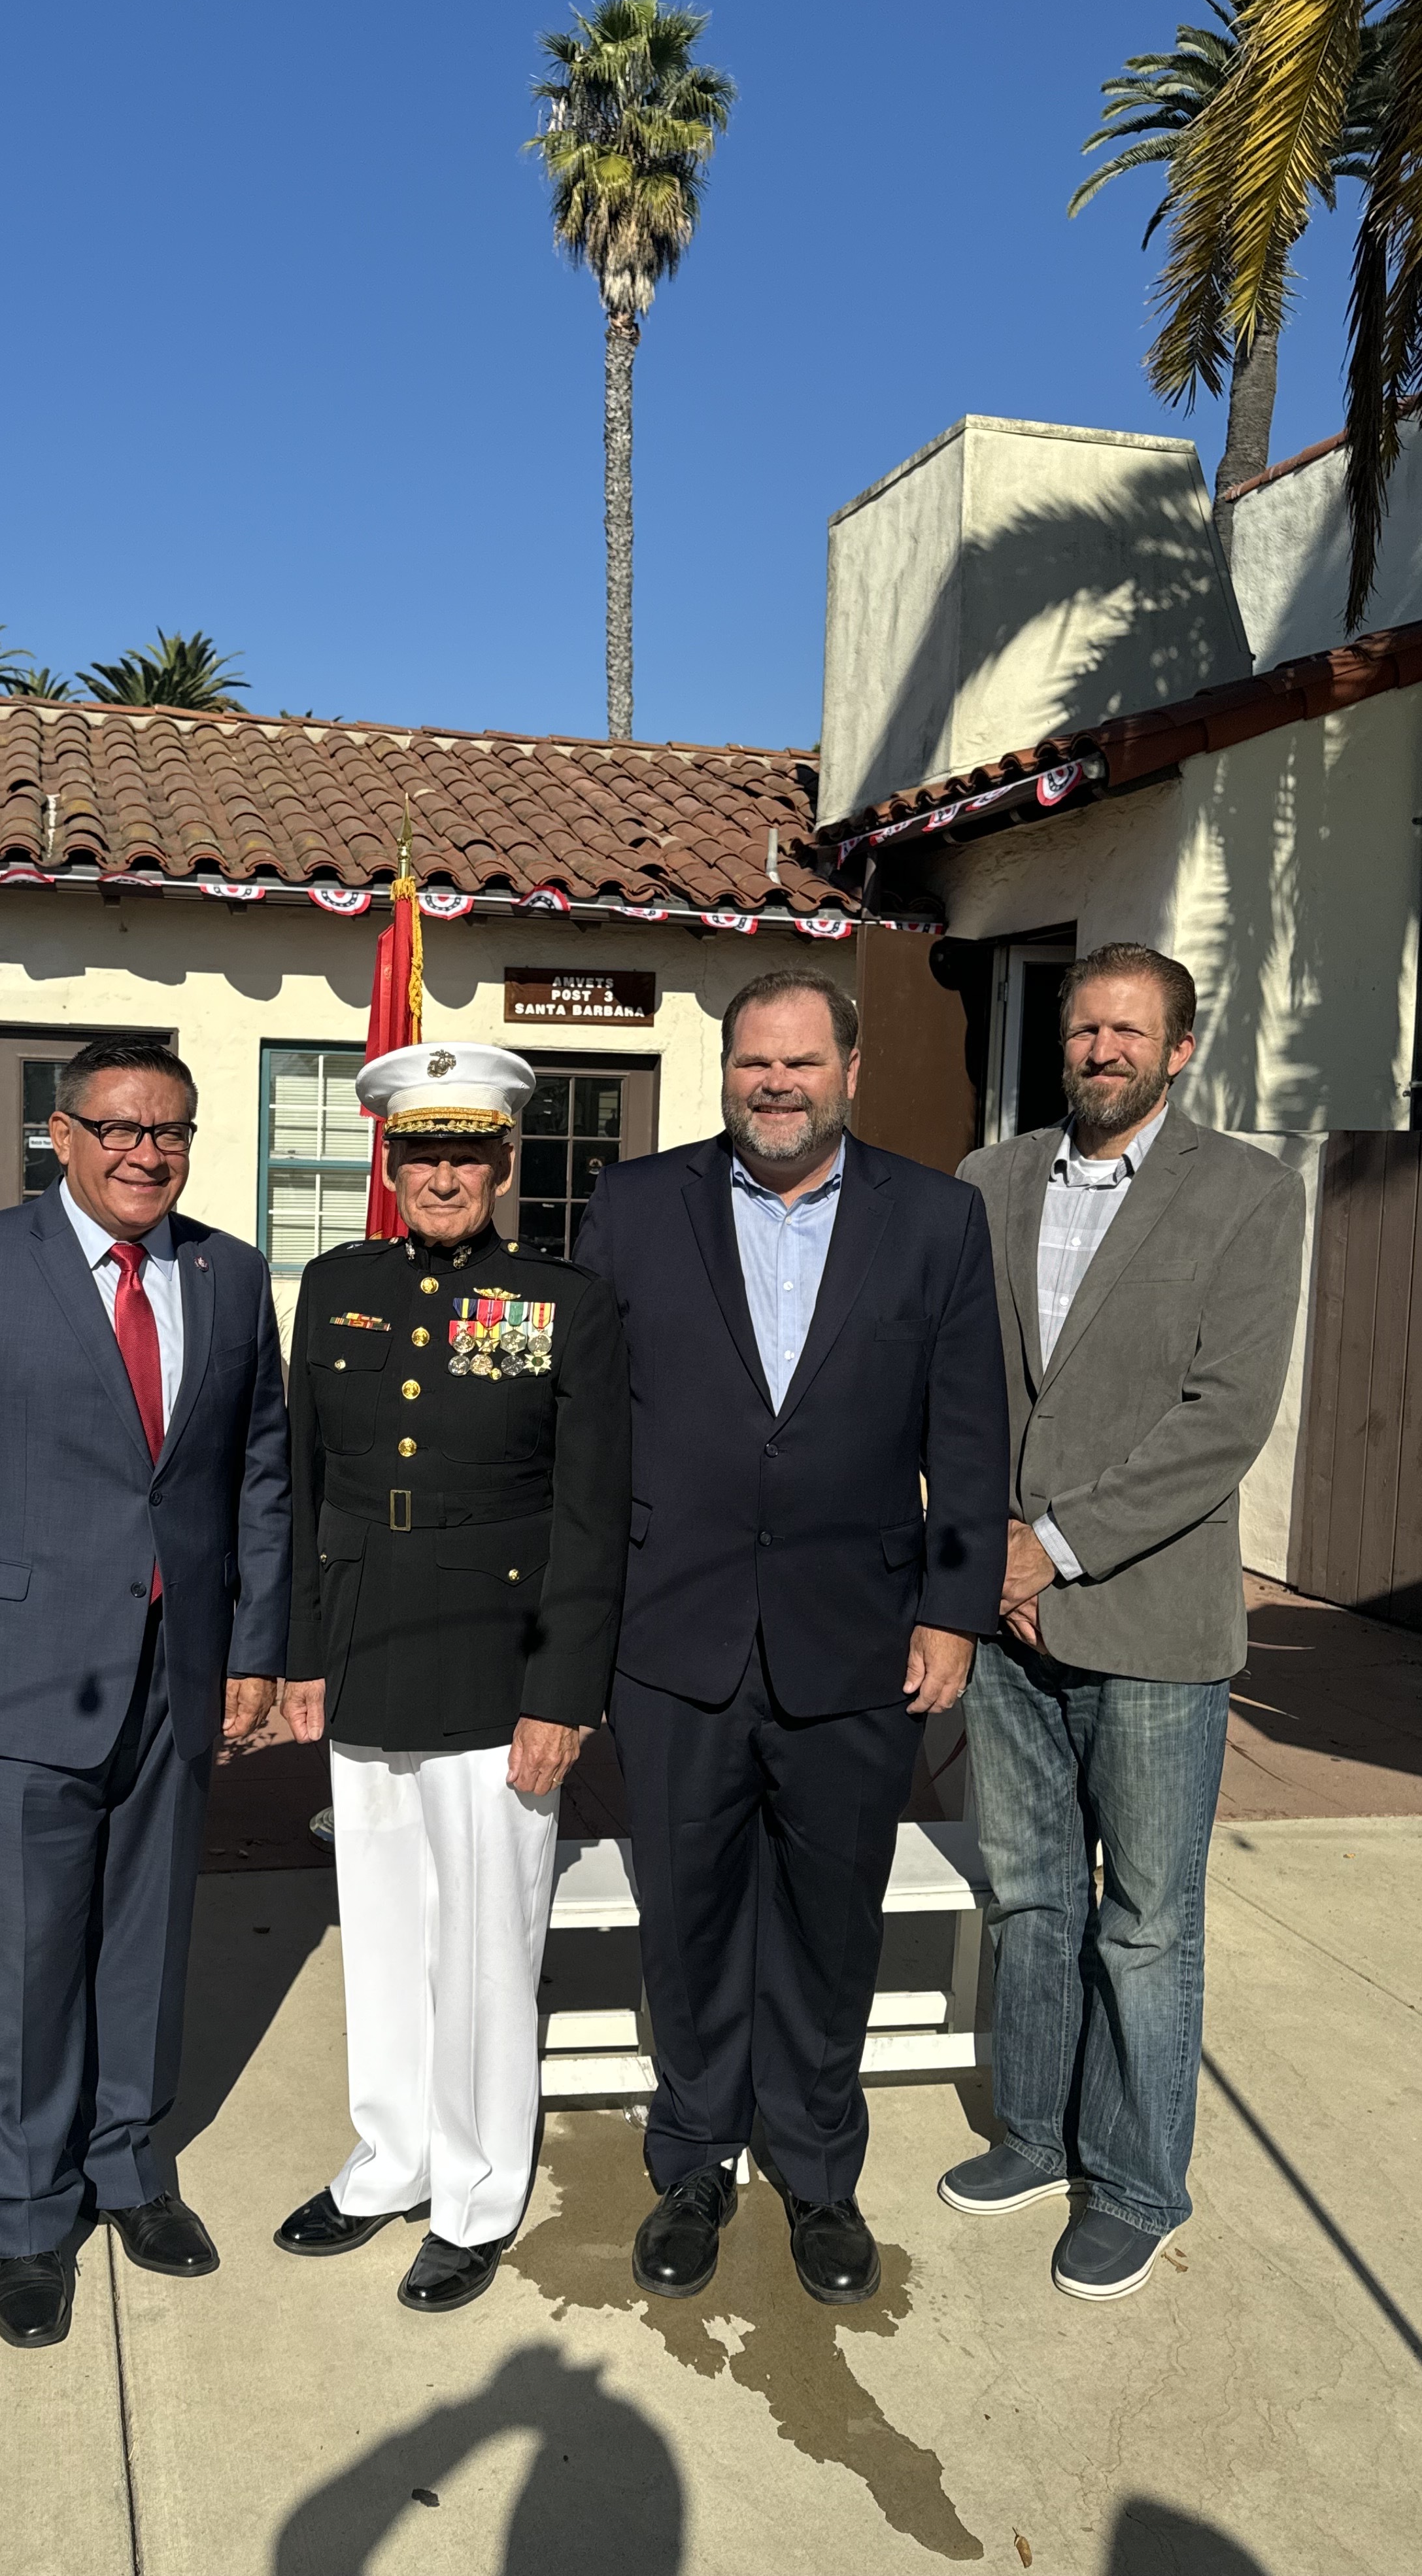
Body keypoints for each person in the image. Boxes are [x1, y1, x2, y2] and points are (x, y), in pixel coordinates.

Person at [576, 968, 1008, 2307]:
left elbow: (969, 1434)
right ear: (726, 1072)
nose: (775, 1084)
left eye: (801, 1063)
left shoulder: (936, 1220)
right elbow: (592, 1436)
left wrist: (952, 1611)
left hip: (857, 1643)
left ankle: (818, 2172)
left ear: (852, 1072)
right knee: (690, 1920)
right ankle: (696, 2157)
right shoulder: (636, 1205)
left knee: (830, 1927)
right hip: (676, 1636)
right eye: (753, 1062)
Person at [0, 1036, 290, 2349]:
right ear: (62, 1135)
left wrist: (254, 1652)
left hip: (177, 1677)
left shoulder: (228, 1272)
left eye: (168, 1129)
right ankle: (31, 2210)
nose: (143, 1151)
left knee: (147, 1943)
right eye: (117, 1126)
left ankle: (126, 2166)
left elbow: (259, 1476)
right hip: (19, 1679)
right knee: (24, 1962)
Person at [943, 944, 1304, 2301]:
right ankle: (1034, 2134)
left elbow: (1224, 1415)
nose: (1100, 1049)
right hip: (1001, 1617)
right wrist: (984, 1554)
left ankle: (1139, 2182)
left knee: (1146, 1923)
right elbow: (963, 1382)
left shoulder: (1250, 1197)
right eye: (1085, 1027)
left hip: (1148, 1623)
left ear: (1180, 1049)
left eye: (1128, 1031)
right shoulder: (991, 1182)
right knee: (1032, 1902)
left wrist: (1055, 1548)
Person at [273, 1042, 630, 2314]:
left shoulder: (562, 1303)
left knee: (486, 1945)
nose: (442, 1174)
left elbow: (593, 1519)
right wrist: (302, 1660)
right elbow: (308, 1485)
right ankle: (393, 2157)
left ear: (504, 1162)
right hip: (367, 1651)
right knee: (383, 1931)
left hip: (502, 1669)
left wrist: (564, 1695)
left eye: (465, 1152)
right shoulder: (335, 1286)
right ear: (389, 1160)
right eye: (420, 1152)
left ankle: (477, 2191)